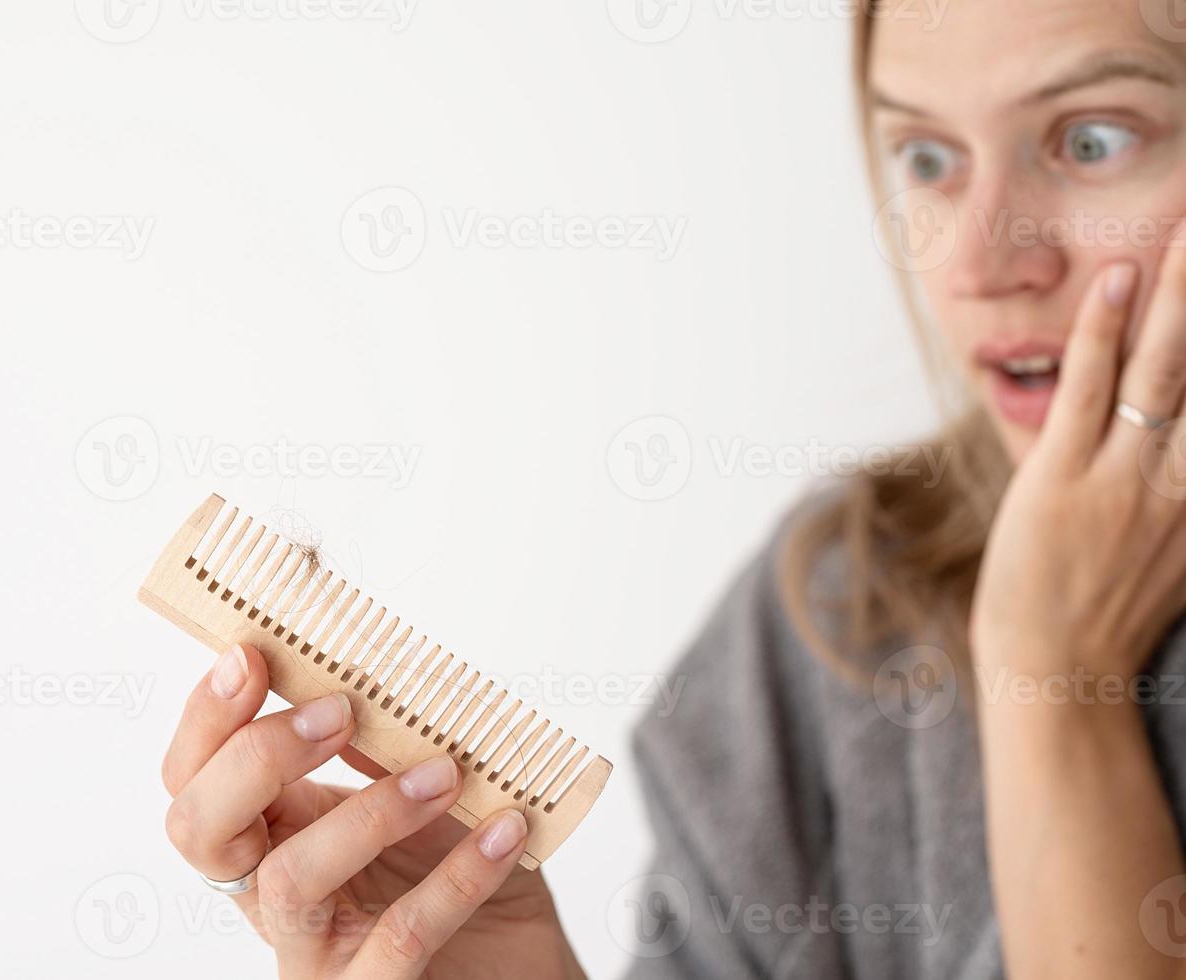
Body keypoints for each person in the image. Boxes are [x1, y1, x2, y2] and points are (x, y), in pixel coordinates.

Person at [158, 1, 1186, 975]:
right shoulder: (831, 614)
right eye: (925, 157)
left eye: (1090, 141)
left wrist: (1054, 670)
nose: (973, 261)